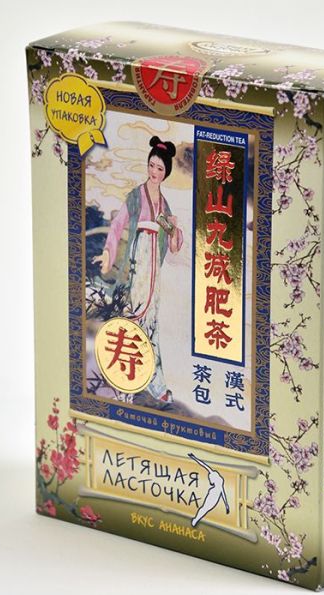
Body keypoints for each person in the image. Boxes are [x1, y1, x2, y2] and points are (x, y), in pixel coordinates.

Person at [92, 135, 183, 403]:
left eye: (160, 168)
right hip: (138, 260)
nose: (154, 172)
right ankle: (124, 377)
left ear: (165, 173)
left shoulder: (164, 206)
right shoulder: (136, 196)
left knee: (151, 321)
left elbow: (174, 245)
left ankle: (155, 384)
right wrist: (108, 252)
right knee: (134, 314)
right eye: (151, 165)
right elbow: (118, 224)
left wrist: (174, 228)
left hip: (154, 267)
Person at [188, 453, 230, 527]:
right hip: (214, 493)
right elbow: (204, 465)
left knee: (205, 508)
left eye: (210, 479)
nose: (210, 481)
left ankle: (196, 520)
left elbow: (204, 465)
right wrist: (194, 458)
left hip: (214, 494)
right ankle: (195, 520)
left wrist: (226, 505)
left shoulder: (214, 476)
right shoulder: (217, 478)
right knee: (205, 508)